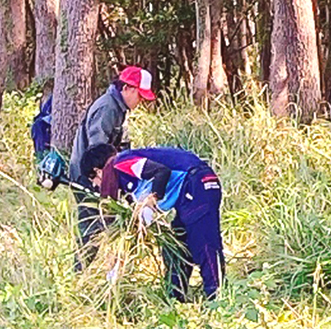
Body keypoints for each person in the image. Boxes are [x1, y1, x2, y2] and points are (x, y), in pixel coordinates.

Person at [94, 147, 224, 301]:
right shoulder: (124, 186)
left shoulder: (121, 163)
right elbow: (136, 228)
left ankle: (218, 298)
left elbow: (161, 172)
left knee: (203, 243)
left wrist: (152, 199)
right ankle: (175, 299)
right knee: (175, 247)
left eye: (94, 182)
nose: (97, 187)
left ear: (98, 171)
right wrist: (119, 259)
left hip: (197, 183)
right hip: (187, 194)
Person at [71, 66, 156, 258]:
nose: (141, 101)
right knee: (92, 223)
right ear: (127, 88)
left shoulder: (120, 109)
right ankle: (82, 271)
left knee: (104, 222)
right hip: (90, 176)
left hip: (103, 174)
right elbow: (98, 150)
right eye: (140, 96)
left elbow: (122, 147)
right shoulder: (107, 108)